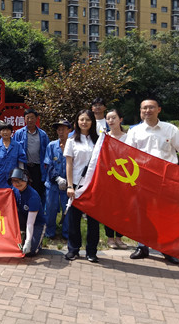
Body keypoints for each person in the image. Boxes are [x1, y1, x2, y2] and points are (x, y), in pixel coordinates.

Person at [126, 97, 179, 264]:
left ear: (159, 110)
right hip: (143, 179)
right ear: (140, 111)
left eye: (151, 107)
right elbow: (127, 155)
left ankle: (166, 249)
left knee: (166, 214)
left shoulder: (170, 129)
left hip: (167, 180)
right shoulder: (134, 131)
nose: (147, 111)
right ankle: (142, 246)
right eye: (144, 108)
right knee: (143, 213)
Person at [64, 110, 100, 263]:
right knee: (74, 219)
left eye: (87, 120)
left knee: (93, 221)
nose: (84, 122)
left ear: (92, 122)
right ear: (77, 122)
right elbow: (69, 164)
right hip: (76, 185)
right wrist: (69, 185)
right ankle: (73, 249)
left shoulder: (99, 141)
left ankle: (91, 252)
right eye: (81, 119)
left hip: (94, 185)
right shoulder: (71, 141)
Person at [14, 108, 50, 206]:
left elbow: (47, 152)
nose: (30, 120)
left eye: (32, 118)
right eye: (27, 118)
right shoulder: (19, 133)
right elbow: (15, 150)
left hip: (38, 168)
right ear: (24, 119)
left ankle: (37, 210)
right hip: (24, 167)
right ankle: (24, 210)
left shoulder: (43, 134)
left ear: (36, 118)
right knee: (23, 190)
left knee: (38, 191)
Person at [104, 109, 128, 249]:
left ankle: (119, 238)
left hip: (125, 178)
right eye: (108, 118)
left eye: (114, 117)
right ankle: (110, 238)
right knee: (109, 209)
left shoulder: (128, 138)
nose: (111, 121)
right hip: (109, 178)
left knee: (123, 209)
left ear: (121, 119)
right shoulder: (104, 137)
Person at [44, 119, 72, 240]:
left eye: (63, 129)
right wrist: (57, 178)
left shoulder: (73, 145)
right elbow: (48, 164)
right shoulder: (51, 145)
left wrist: (68, 181)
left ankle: (67, 233)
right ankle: (49, 232)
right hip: (53, 184)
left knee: (68, 208)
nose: (61, 132)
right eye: (59, 129)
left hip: (68, 184)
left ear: (69, 130)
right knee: (51, 208)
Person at [8, 168, 46, 257]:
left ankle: (36, 241)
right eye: (14, 181)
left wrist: (28, 241)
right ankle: (23, 234)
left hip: (36, 223)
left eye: (20, 180)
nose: (17, 184)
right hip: (23, 218)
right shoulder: (14, 190)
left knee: (30, 252)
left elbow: (30, 223)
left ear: (26, 180)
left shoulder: (33, 196)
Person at [0, 123, 26, 189]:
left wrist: (20, 177)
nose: (5, 132)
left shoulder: (18, 146)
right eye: (3, 130)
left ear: (11, 132)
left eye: (7, 130)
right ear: (0, 132)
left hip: (14, 178)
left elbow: (21, 163)